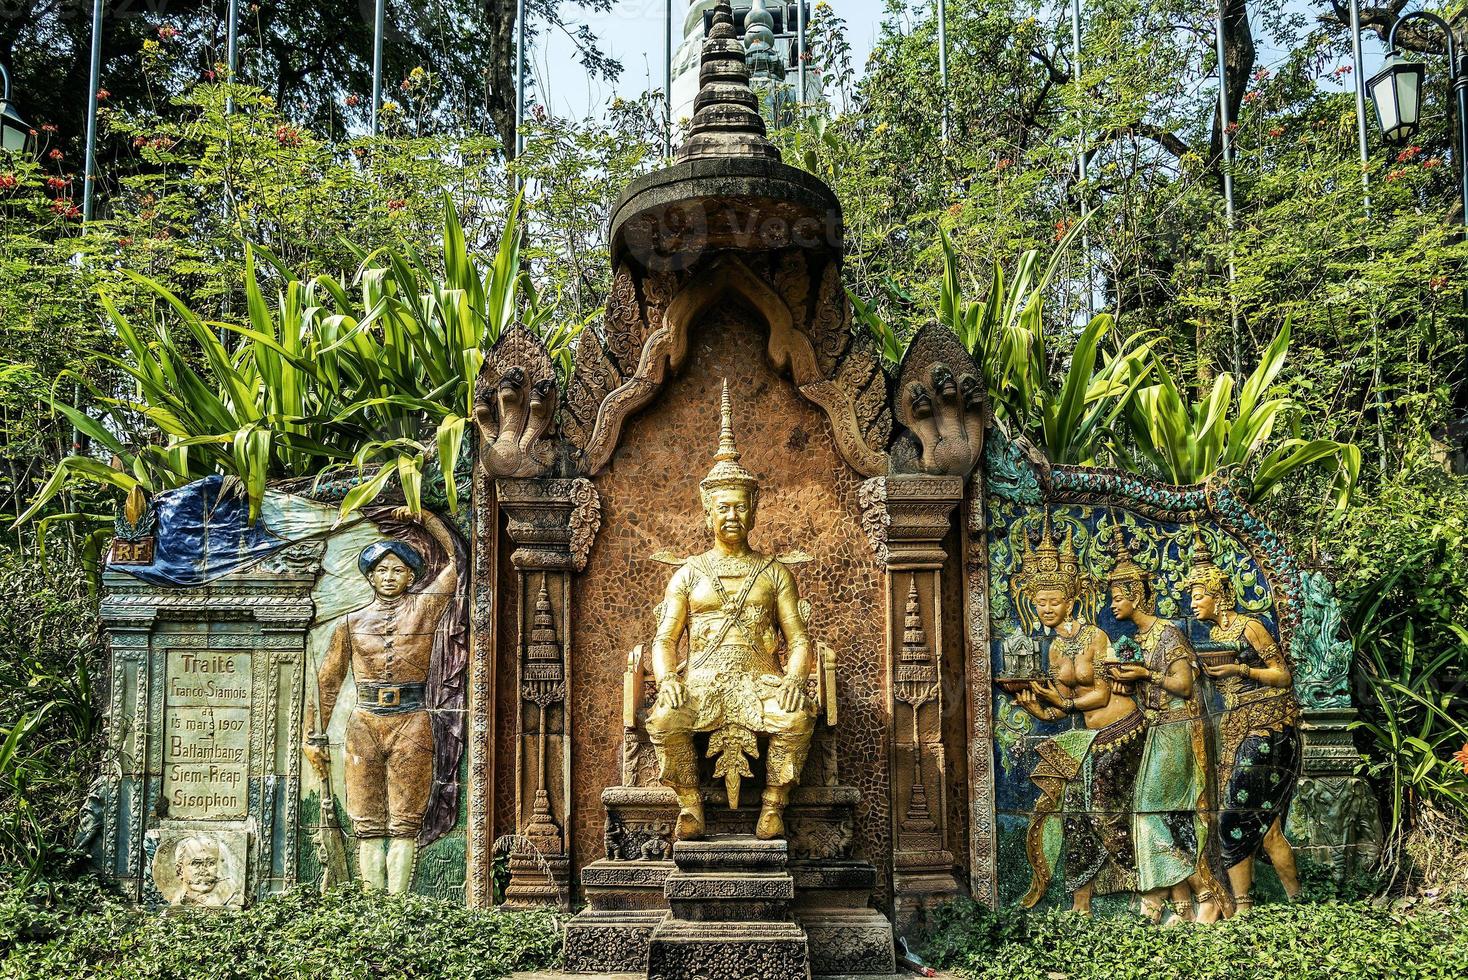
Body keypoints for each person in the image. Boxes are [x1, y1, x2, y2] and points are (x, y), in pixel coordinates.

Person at [644, 381, 817, 841]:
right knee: (664, 718)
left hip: (760, 681)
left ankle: (774, 806)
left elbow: (798, 640)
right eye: (723, 507)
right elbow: (664, 640)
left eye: (741, 507)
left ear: (755, 511)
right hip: (701, 680)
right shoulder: (688, 574)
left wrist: (795, 679)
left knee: (797, 717)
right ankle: (690, 807)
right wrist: (667, 681)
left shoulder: (775, 572)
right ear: (707, 512)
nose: (732, 516)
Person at [304, 507, 459, 893]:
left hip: (411, 723)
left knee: (405, 822)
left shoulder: (424, 609)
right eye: (382, 570)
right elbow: (327, 683)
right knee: (367, 823)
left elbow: (457, 560)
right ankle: (373, 908)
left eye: (398, 570)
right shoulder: (350, 624)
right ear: (370, 576)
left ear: (411, 576)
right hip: (363, 727)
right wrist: (311, 737)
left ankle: (399, 909)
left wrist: (425, 519)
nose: (389, 577)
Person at [1012, 514, 1143, 914]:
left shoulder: (1094, 636)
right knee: (1074, 811)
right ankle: (1081, 904)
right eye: (1040, 603)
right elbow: (1059, 710)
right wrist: (1034, 704)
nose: (1047, 609)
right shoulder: (1052, 648)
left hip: (1122, 729)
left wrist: (1064, 703)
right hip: (1089, 737)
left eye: (1054, 601)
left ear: (1070, 601)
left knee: (1103, 808)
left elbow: (1100, 694)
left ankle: (1148, 886)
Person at [1104, 536, 1226, 923]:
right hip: (1158, 729)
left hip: (1178, 728)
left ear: (1136, 596)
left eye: (1117, 598)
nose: (1112, 605)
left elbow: (1183, 685)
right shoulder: (1138, 639)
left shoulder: (1169, 634)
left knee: (1152, 812)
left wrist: (1146, 673)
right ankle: (1178, 904)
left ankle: (1201, 896)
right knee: (1153, 814)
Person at [1185, 531, 1302, 914]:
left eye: (1197, 595)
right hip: (1238, 727)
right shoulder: (1216, 635)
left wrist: (1241, 669)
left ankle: (1252, 906)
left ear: (1218, 596)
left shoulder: (1248, 627)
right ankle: (1257, 907)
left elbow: (1282, 675)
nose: (1193, 603)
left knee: (1237, 818)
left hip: (1269, 729)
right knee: (1265, 829)